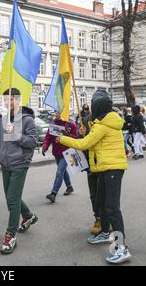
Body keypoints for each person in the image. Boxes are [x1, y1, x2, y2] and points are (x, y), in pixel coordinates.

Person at [57, 90, 131, 264]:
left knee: (112, 207)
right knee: (102, 202)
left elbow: (85, 144)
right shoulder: (104, 122)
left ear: (97, 108)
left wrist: (64, 139)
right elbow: (91, 142)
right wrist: (85, 131)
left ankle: (122, 247)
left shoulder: (103, 124)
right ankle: (105, 233)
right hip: (105, 168)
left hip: (112, 169)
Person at [0, 88, 38, 255]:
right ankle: (28, 216)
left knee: (12, 200)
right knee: (11, 196)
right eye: (5, 100)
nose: (7, 103)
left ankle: (10, 235)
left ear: (18, 100)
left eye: (11, 100)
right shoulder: (3, 118)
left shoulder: (27, 120)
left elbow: (33, 142)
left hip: (20, 164)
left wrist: (16, 134)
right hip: (6, 163)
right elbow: (0, 140)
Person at [42, 111, 78, 203]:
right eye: (56, 113)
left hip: (67, 152)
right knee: (63, 171)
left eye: (59, 113)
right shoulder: (53, 125)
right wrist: (45, 147)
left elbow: (75, 137)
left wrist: (66, 134)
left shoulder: (71, 125)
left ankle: (53, 193)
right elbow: (48, 138)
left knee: (59, 172)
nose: (57, 115)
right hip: (57, 153)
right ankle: (69, 187)